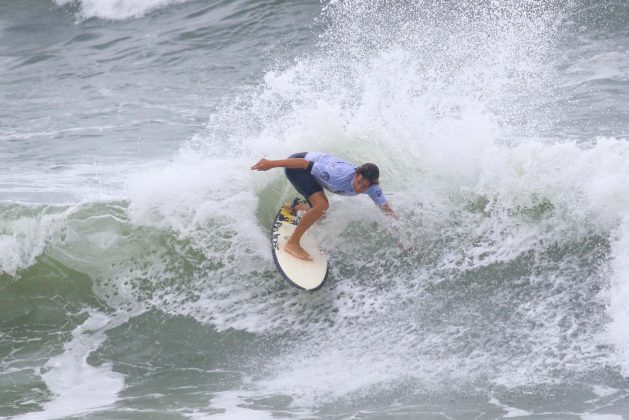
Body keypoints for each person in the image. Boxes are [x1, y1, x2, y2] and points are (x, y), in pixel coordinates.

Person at [251, 152, 396, 260]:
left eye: (364, 187)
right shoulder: (338, 175)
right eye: (359, 182)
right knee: (322, 205)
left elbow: (387, 210)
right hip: (297, 166)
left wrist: (402, 237)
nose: (359, 188)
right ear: (356, 174)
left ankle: (298, 208)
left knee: (321, 213)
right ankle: (292, 244)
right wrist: (271, 163)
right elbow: (303, 163)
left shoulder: (373, 188)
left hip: (313, 174)